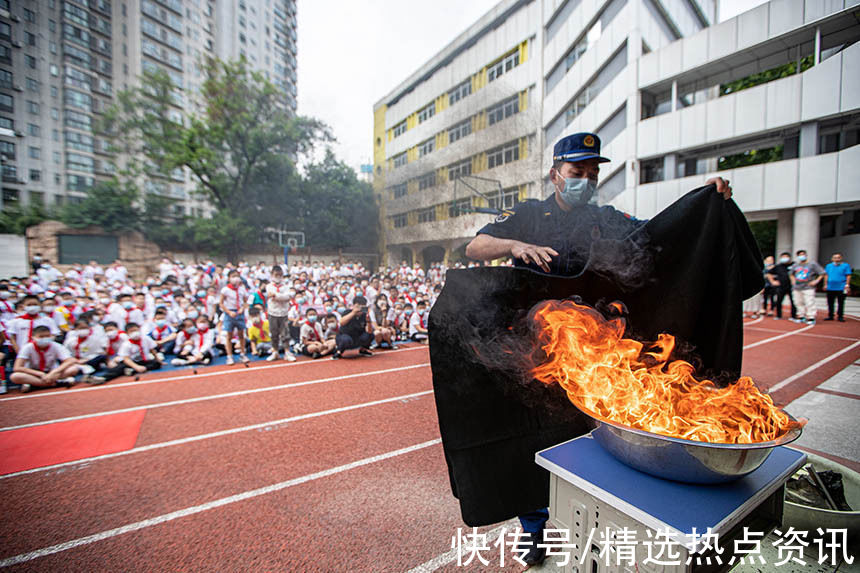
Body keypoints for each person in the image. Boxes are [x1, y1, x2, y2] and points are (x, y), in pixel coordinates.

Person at [463, 132, 733, 565]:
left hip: (595, 352)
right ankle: (533, 529)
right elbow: (474, 245)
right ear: (555, 175)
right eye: (576, 172)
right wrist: (515, 244)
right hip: (534, 352)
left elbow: (657, 234)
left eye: (593, 173)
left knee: (586, 438)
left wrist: (701, 201)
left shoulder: (605, 218)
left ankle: (587, 525)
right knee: (527, 437)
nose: (585, 180)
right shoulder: (528, 214)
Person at [10, 325, 81, 392]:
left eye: (47, 336)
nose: (44, 338)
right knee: (15, 376)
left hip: (53, 372)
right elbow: (17, 367)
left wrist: (54, 372)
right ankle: (56, 383)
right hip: (34, 374)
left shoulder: (56, 346)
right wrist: (40, 374)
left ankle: (36, 385)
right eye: (41, 337)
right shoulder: (27, 347)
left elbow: (70, 360)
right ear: (33, 337)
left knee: (73, 369)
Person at [265, 265, 296, 362]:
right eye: (276, 274)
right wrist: (280, 296)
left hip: (283, 313)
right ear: (272, 275)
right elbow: (273, 295)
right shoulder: (269, 286)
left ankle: (287, 352)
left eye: (280, 274)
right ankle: (275, 352)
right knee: (274, 333)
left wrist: (276, 296)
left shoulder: (286, 286)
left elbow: (287, 297)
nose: (278, 276)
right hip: (272, 313)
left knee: (285, 333)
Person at [63, 317, 107, 385]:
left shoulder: (94, 339)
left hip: (88, 361)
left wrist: (86, 359)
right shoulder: (70, 341)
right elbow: (66, 354)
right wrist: (74, 360)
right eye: (80, 328)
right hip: (74, 362)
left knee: (101, 357)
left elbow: (98, 352)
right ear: (75, 329)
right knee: (70, 369)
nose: (83, 330)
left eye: (85, 328)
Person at [219, 269, 250, 365]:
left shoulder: (242, 289)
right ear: (229, 278)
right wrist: (228, 312)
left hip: (239, 312)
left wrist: (242, 309)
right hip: (230, 313)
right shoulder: (225, 290)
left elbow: (245, 302)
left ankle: (242, 354)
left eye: (237, 276)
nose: (235, 278)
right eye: (233, 276)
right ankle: (229, 356)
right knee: (229, 336)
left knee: (241, 335)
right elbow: (221, 303)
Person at [332, 296, 374, 360]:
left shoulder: (364, 315)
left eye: (363, 306)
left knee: (370, 335)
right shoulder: (347, 312)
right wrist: (354, 312)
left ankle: (363, 349)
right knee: (346, 339)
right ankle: (339, 352)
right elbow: (341, 322)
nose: (360, 309)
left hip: (357, 337)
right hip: (344, 336)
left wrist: (368, 321)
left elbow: (370, 331)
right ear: (354, 305)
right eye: (359, 306)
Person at [790, 250, 824, 325]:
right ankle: (801, 316)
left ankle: (810, 317)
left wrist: (816, 281)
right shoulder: (795, 265)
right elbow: (791, 274)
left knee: (809, 302)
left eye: (803, 254)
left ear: (806, 255)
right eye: (800, 255)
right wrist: (793, 281)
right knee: (798, 302)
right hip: (797, 287)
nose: (802, 256)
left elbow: (822, 273)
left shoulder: (812, 264)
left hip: (808, 287)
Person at [823, 252, 852, 322]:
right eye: (835, 258)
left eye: (838, 258)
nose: (837, 259)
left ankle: (840, 316)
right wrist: (825, 284)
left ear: (841, 258)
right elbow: (826, 275)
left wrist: (847, 285)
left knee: (841, 302)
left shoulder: (845, 266)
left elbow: (848, 275)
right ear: (832, 259)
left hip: (841, 287)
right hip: (830, 287)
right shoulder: (828, 266)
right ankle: (830, 315)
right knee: (830, 302)